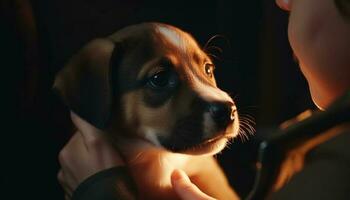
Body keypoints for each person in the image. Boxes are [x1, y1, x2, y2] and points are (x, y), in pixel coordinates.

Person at [57, 0, 350, 199]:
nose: (283, 1)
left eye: (206, 69)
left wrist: (105, 192)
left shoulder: (337, 164)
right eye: (159, 79)